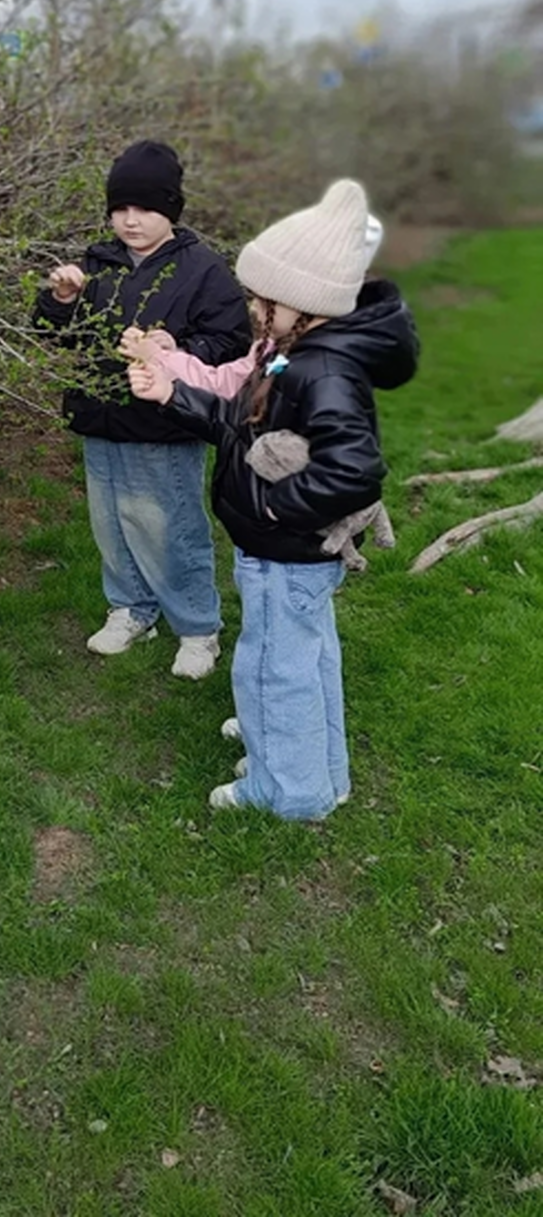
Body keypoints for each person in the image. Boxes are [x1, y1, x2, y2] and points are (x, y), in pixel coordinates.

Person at [128, 179, 418, 819]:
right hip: (290, 553)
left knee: (272, 668)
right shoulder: (291, 355)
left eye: (266, 299)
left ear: (306, 304)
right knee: (306, 660)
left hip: (285, 553)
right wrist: (172, 395)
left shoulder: (323, 372)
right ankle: (319, 771)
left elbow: (356, 473)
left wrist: (271, 508)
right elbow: (241, 424)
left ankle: (287, 790)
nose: (255, 308)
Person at [34, 140, 252, 679]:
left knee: (170, 527)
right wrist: (60, 301)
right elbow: (54, 335)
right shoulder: (96, 264)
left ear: (171, 210)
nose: (130, 220)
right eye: (120, 208)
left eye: (145, 208)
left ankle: (198, 628)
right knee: (111, 523)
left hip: (165, 421)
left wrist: (176, 348)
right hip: (100, 415)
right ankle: (131, 609)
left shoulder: (202, 269)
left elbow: (231, 343)